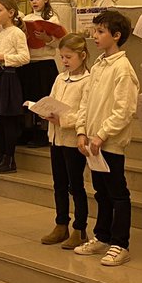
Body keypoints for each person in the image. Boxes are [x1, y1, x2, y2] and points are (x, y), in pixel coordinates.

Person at [74, 9, 139, 267]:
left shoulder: (123, 69)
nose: (95, 36)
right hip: (93, 141)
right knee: (100, 191)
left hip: (109, 142)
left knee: (117, 193)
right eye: (95, 30)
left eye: (101, 31)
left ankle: (120, 243)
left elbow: (124, 110)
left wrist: (101, 134)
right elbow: (86, 101)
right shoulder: (99, 64)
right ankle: (102, 235)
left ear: (117, 35)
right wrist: (81, 130)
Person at [39, 32, 91, 249]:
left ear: (83, 56)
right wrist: (45, 111)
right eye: (62, 57)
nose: (65, 61)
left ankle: (80, 228)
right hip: (56, 138)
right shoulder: (60, 78)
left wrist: (65, 120)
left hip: (72, 140)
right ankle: (61, 224)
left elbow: (85, 112)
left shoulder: (87, 80)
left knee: (75, 185)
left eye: (69, 57)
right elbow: (52, 100)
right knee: (58, 183)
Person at [0, 0, 29, 174]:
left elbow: (25, 57)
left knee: (7, 121)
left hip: (9, 78)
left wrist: (3, 57)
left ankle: (10, 159)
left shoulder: (16, 33)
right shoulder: (1, 34)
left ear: (11, 12)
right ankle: (1, 156)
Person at [21, 0, 63, 146]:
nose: (34, 2)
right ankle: (27, 131)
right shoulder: (27, 18)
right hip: (29, 62)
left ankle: (41, 132)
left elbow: (59, 42)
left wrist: (47, 39)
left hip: (45, 63)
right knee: (28, 98)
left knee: (42, 99)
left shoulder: (52, 18)